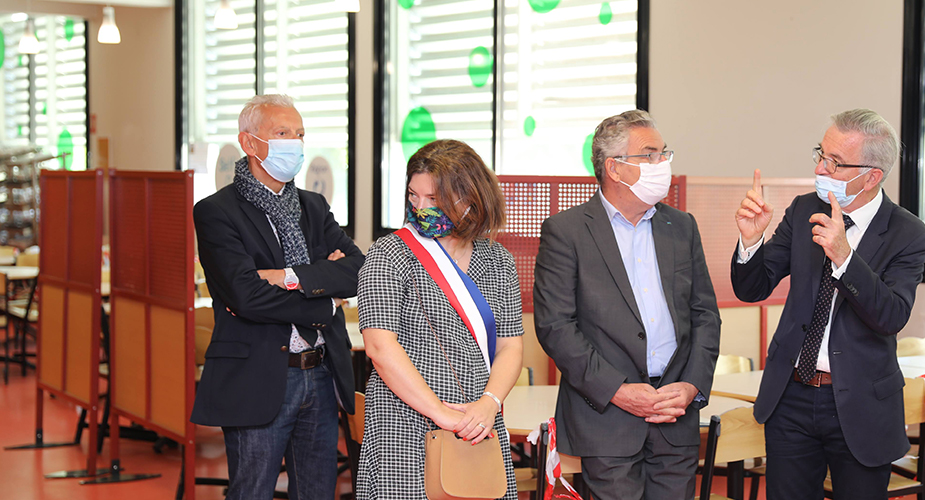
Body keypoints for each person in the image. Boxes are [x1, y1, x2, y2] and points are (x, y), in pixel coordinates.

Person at [730, 109, 925, 499]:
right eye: (821, 155)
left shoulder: (909, 235)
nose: (822, 168)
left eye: (836, 163)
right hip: (791, 395)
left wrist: (845, 259)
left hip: (861, 405)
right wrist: (750, 242)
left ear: (871, 176)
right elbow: (753, 288)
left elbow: (891, 316)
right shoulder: (805, 209)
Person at [533, 110, 721, 500]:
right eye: (650, 155)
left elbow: (704, 315)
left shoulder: (681, 226)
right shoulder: (566, 232)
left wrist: (691, 386)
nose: (662, 164)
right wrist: (618, 391)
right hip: (607, 419)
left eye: (664, 153)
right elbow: (556, 327)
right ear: (614, 168)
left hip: (675, 415)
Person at [191, 94, 364, 499]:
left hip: (320, 372)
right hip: (259, 376)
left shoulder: (313, 206)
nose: (295, 143)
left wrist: (287, 276)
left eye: (300, 134)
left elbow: (357, 269)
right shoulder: (217, 212)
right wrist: (324, 298)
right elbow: (247, 297)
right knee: (252, 491)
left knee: (318, 491)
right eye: (282, 133)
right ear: (250, 143)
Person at [356, 139, 524, 500]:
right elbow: (379, 346)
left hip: (478, 421)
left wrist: (489, 403)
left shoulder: (498, 261)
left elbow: (511, 345)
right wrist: (441, 413)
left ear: (471, 196)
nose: (421, 208)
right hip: (405, 421)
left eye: (434, 199)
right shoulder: (389, 255)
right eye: (414, 196)